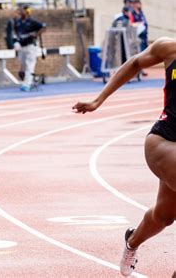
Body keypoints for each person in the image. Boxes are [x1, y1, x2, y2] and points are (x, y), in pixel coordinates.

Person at [72, 37, 176, 276]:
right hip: (164, 141)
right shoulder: (169, 48)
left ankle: (132, 241)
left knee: (163, 215)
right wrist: (98, 99)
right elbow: (135, 64)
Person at [6, 5, 46, 91]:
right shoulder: (18, 22)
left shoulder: (31, 22)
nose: (21, 11)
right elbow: (16, 31)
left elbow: (43, 27)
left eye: (23, 10)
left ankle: (27, 84)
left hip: (30, 46)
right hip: (22, 46)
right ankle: (27, 81)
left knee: (29, 65)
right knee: (23, 67)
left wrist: (35, 35)